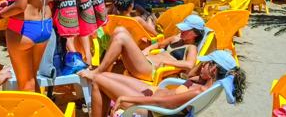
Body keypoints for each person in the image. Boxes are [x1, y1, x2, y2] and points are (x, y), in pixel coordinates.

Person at [78, 50, 246, 117]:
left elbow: (160, 102)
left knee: (99, 80)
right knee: (106, 75)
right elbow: (190, 73)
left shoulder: (197, 92)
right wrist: (201, 71)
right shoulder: (205, 84)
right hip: (155, 94)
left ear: (214, 70)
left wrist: (124, 98)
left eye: (206, 63)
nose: (201, 65)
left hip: (151, 109)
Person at [80, 15, 209, 82]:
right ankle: (101, 73)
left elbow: (189, 64)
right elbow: (158, 44)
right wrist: (146, 50)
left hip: (150, 70)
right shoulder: (176, 38)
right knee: (119, 32)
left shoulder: (191, 47)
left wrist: (168, 62)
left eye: (186, 29)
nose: (181, 30)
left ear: (195, 33)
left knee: (121, 35)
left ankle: (98, 72)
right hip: (145, 61)